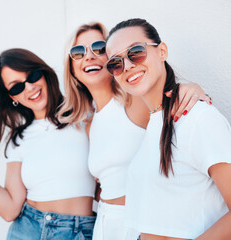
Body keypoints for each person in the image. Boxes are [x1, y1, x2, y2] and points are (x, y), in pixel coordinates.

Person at [105, 18, 231, 240]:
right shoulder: (154, 124)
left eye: (135, 52)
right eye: (115, 64)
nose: (127, 66)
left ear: (162, 52)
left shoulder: (198, 118)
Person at [57, 22, 211, 240]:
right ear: (71, 68)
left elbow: (172, 97)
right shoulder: (90, 124)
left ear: (112, 58)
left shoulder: (137, 102)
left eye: (99, 48)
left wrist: (193, 89)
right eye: (78, 52)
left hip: (139, 224)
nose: (89, 56)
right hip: (104, 226)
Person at [0, 48, 96, 240]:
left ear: (43, 73)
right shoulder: (19, 140)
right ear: (13, 97)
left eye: (32, 76)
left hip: (81, 231)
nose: (29, 88)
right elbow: (10, 210)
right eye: (17, 87)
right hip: (28, 231)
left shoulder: (85, 116)